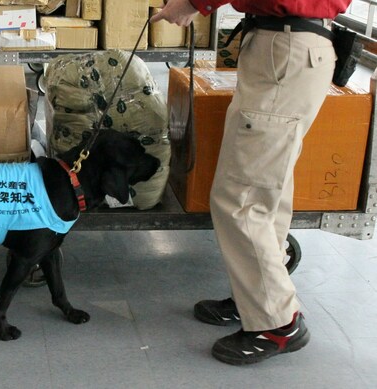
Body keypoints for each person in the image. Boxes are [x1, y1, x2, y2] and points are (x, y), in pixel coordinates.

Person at [151, 0, 353, 365]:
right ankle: (257, 300)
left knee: (241, 199)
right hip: (286, 47)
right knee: (266, 189)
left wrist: (196, 3)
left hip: (287, 50)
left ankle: (277, 323)